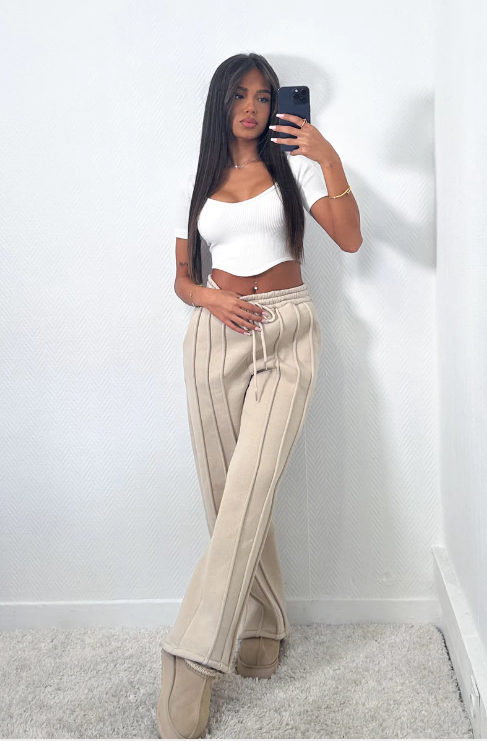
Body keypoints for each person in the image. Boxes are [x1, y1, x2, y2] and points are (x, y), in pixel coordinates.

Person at [156, 52, 362, 739]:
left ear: (277, 105)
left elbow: (349, 238)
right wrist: (210, 298)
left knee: (249, 489)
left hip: (286, 331)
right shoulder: (193, 181)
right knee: (229, 501)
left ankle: (190, 658)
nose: (251, 107)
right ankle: (265, 622)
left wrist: (327, 155)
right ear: (220, 103)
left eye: (263, 96)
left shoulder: (294, 168)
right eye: (239, 95)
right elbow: (182, 277)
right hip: (215, 338)